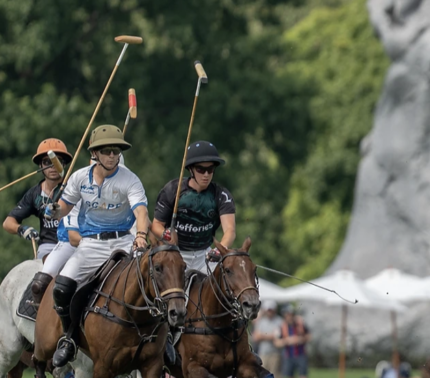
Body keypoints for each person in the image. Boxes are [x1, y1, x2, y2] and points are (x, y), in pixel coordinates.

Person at [45, 124, 150, 367]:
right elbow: (64, 208)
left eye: (116, 150)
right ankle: (69, 337)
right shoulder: (80, 177)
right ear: (95, 154)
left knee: (151, 283)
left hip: (123, 242)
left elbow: (141, 211)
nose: (112, 155)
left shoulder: (130, 179)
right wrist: (54, 209)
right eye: (106, 151)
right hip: (90, 245)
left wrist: (141, 235)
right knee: (61, 288)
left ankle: (159, 340)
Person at [151, 140, 236, 273]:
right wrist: (166, 235)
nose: (206, 174)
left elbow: (230, 230)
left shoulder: (221, 195)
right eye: (201, 169)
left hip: (205, 256)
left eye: (210, 169)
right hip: (175, 254)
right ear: (190, 169)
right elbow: (156, 224)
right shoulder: (173, 190)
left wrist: (220, 249)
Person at [4, 139, 74, 260]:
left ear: (64, 164)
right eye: (47, 162)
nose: (52, 166)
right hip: (48, 245)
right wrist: (21, 229)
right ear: (40, 166)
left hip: (72, 243)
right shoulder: (34, 193)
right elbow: (8, 223)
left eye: (57, 161)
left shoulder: (74, 188)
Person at [276, 303, 310, 378]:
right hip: (288, 356)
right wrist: (287, 341)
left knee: (303, 375)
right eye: (287, 314)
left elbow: (309, 336)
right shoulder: (282, 326)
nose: (289, 316)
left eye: (291, 314)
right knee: (289, 375)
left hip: (301, 354)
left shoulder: (300, 324)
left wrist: (301, 339)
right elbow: (277, 342)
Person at [252, 300, 283, 375]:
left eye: (271, 310)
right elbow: (256, 337)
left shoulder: (279, 321)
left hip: (275, 353)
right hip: (263, 353)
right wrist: (271, 336)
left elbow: (279, 336)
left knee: (275, 374)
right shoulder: (261, 322)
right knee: (262, 375)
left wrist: (262, 336)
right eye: (268, 310)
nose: (270, 312)